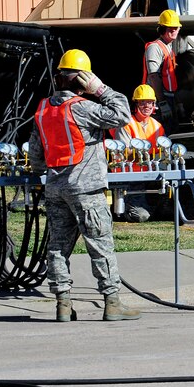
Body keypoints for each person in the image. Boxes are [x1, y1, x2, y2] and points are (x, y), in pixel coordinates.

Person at [28, 49, 140, 322]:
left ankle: (63, 304)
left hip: (56, 189)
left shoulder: (43, 109)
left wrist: (46, 173)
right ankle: (112, 302)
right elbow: (123, 113)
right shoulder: (83, 108)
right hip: (86, 189)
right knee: (100, 244)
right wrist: (101, 89)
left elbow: (36, 154)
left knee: (57, 247)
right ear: (84, 79)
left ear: (59, 77)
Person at [112, 84, 166, 223]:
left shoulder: (157, 126)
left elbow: (162, 154)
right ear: (135, 104)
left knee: (165, 211)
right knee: (141, 216)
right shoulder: (126, 124)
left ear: (154, 105)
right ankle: (123, 210)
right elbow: (125, 154)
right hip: (128, 177)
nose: (147, 106)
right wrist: (148, 158)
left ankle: (155, 208)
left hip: (150, 177)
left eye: (150, 102)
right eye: (142, 102)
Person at [143, 9, 185, 131]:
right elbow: (153, 76)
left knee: (171, 133)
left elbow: (171, 79)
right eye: (169, 28)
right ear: (162, 29)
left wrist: (177, 102)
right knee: (161, 134)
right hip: (158, 100)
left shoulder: (168, 48)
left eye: (175, 27)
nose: (173, 30)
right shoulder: (155, 48)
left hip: (168, 98)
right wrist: (162, 103)